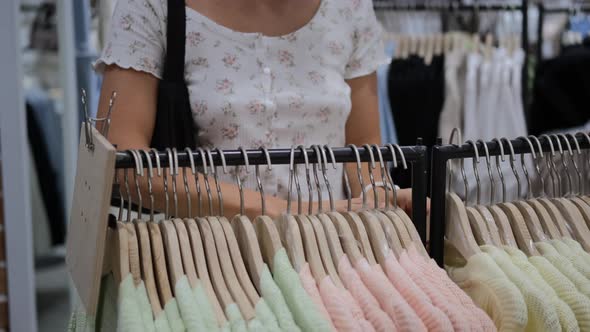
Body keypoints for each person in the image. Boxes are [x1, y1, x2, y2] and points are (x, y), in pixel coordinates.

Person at [95, 0, 416, 220]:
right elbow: (124, 160)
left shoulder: (351, 8)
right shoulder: (154, 7)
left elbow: (362, 149)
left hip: (332, 255)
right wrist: (283, 213)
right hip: (200, 259)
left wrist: (381, 198)